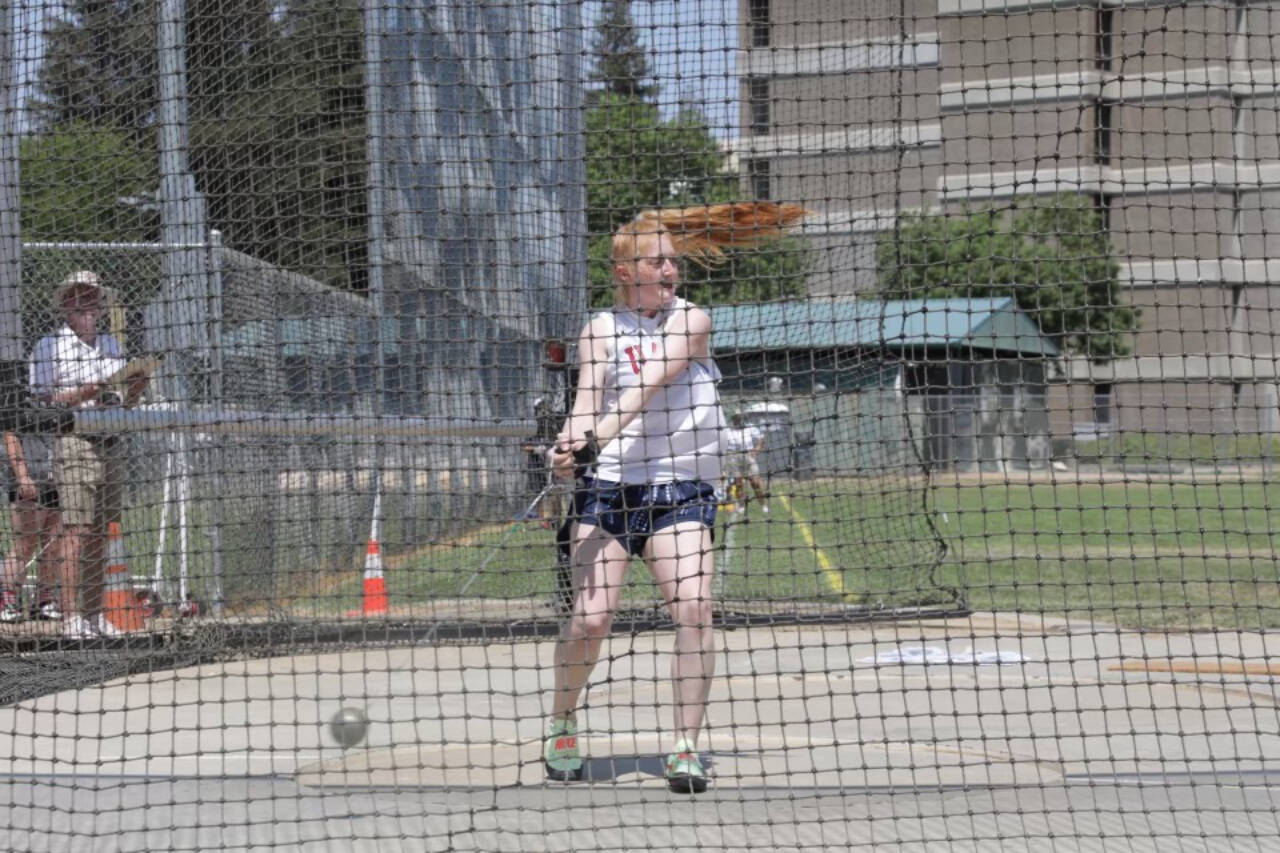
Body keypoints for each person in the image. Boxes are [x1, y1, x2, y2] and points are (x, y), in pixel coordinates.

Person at [545, 202, 805, 793]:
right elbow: (590, 397)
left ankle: (685, 745)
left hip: (682, 489)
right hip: (608, 489)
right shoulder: (600, 329)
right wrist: (570, 441)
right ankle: (563, 721)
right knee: (589, 619)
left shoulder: (692, 321)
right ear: (624, 273)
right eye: (655, 261)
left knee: (692, 610)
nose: (669, 270)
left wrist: (595, 438)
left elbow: (648, 384)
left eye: (672, 260)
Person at [29, 271, 149, 638]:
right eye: (78, 297)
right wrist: (83, 393)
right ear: (65, 304)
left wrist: (136, 387)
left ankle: (95, 615)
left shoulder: (112, 346)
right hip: (74, 439)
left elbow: (124, 405)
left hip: (109, 439)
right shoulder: (50, 346)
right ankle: (70, 618)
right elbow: (43, 401)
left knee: (100, 531)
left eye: (92, 297)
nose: (86, 304)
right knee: (75, 530)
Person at [0, 427, 62, 624]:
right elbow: (10, 434)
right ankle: (7, 599)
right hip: (28, 475)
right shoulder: (17, 397)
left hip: (54, 474)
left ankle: (44, 599)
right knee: (25, 543)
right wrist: (22, 476)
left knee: (53, 544)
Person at [722, 411, 770, 514]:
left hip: (748, 456)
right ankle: (741, 505)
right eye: (736, 418)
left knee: (755, 483)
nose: (739, 419)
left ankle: (763, 505)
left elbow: (761, 438)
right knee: (738, 483)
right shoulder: (728, 430)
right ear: (733, 419)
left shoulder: (750, 428)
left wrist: (756, 450)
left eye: (740, 417)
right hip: (733, 457)